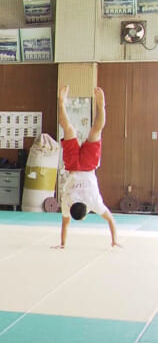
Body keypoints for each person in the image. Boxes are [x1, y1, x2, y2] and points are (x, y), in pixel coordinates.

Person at [53, 86, 119, 249]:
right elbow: (65, 225)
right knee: (68, 129)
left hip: (89, 166)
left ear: (86, 213)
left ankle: (101, 106)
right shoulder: (67, 204)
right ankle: (61, 103)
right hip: (73, 166)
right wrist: (62, 243)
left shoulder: (94, 203)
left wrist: (114, 240)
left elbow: (111, 220)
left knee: (96, 130)